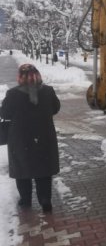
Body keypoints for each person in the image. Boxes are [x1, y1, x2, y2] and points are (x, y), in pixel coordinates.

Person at [0, 64, 61, 213]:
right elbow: (55, 108)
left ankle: (25, 200)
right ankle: (45, 199)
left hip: (20, 139)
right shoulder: (48, 91)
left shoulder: (12, 94)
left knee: (22, 170)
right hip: (44, 137)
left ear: (20, 77)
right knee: (44, 170)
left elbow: (5, 114)